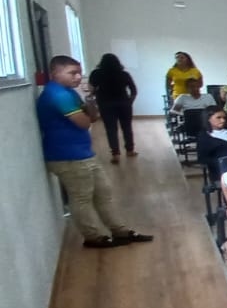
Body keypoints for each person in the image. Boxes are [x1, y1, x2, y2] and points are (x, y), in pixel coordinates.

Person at [37, 55, 154, 248]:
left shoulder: (69, 93)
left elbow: (92, 116)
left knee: (104, 193)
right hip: (66, 156)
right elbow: (84, 123)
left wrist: (89, 101)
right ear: (55, 73)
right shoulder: (58, 95)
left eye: (79, 72)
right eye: (72, 73)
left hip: (83, 153)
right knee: (81, 197)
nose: (77, 77)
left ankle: (120, 231)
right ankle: (93, 237)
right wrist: (87, 112)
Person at [88, 53, 140, 163]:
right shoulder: (124, 74)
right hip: (124, 104)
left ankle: (115, 154)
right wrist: (130, 102)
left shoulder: (96, 74)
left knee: (111, 129)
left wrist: (94, 95)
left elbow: (91, 89)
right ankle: (130, 150)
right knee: (127, 128)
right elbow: (134, 90)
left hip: (105, 104)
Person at [197, 107, 227, 180]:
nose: (223, 120)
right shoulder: (204, 137)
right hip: (220, 171)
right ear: (208, 119)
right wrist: (222, 162)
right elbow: (202, 159)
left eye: (224, 118)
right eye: (218, 118)